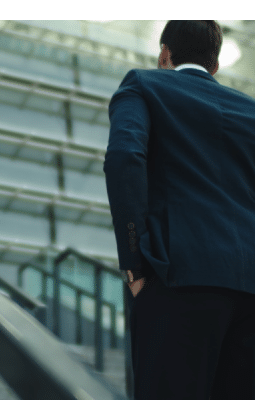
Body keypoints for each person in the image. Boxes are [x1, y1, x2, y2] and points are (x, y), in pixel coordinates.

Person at [103, 20, 255, 400]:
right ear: (215, 66)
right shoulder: (250, 110)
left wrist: (134, 263)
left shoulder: (143, 83)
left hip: (178, 279)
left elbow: (124, 156)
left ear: (164, 54)